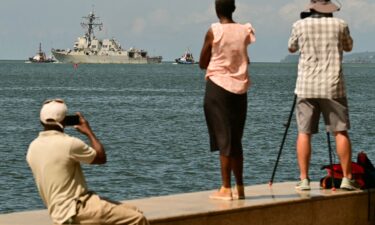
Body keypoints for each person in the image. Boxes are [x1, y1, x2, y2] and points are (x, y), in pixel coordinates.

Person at [26, 99, 149, 225]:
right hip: (77, 208)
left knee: (134, 210)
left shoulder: (32, 147)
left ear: (41, 121)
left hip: (58, 212)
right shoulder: (69, 143)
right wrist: (88, 131)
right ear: (64, 121)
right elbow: (101, 158)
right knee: (137, 219)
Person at [288, 0, 358, 191]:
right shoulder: (340, 24)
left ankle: (303, 180)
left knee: (304, 132)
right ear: (330, 9)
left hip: (306, 86)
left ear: (311, 7)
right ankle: (346, 178)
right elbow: (349, 47)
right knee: (340, 131)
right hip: (333, 87)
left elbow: (291, 48)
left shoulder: (299, 25)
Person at [199, 0, 255, 200]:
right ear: (234, 9)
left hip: (218, 88)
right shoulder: (245, 30)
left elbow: (202, 61)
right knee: (235, 140)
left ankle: (225, 188)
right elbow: (244, 57)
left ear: (216, 10)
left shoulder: (214, 31)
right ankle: (240, 187)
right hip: (240, 89)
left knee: (224, 139)